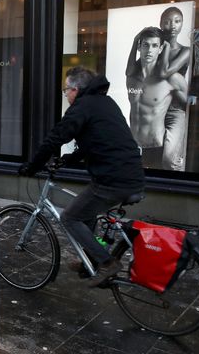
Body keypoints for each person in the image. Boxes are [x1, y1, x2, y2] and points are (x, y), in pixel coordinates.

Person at [19, 67, 145, 287]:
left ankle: (106, 262)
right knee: (86, 212)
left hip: (112, 179)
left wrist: (32, 166)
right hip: (131, 174)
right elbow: (99, 140)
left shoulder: (81, 107)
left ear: (75, 90)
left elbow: (53, 139)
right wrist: (68, 159)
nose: (66, 95)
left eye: (66, 90)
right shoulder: (105, 103)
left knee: (70, 218)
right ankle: (91, 258)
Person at [126, 27, 188, 169]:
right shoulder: (131, 77)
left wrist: (176, 146)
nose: (149, 50)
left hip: (156, 148)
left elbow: (190, 108)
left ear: (160, 49)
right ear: (139, 47)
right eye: (146, 45)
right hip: (133, 148)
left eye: (154, 46)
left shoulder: (172, 79)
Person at [157, 7, 191, 170]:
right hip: (155, 109)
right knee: (150, 160)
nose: (172, 25)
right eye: (168, 21)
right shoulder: (153, 49)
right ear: (161, 24)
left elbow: (164, 72)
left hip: (175, 110)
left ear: (182, 24)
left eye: (177, 21)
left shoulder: (185, 51)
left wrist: (166, 47)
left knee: (171, 160)